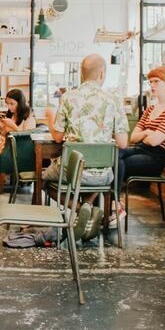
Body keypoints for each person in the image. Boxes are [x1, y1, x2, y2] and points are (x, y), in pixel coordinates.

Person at [42, 54, 129, 239]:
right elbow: (122, 143)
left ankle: (81, 209)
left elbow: (57, 137)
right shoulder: (113, 100)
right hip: (103, 175)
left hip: (71, 172)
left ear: (81, 74)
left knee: (43, 178)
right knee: (95, 175)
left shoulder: (68, 97)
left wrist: (49, 118)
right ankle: (88, 209)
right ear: (102, 73)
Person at [118, 66, 165, 189]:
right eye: (150, 82)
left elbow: (154, 141)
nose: (152, 85)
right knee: (113, 155)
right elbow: (133, 138)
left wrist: (145, 136)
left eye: (156, 81)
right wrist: (147, 132)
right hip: (140, 149)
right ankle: (114, 200)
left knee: (118, 163)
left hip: (155, 158)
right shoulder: (150, 109)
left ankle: (114, 200)